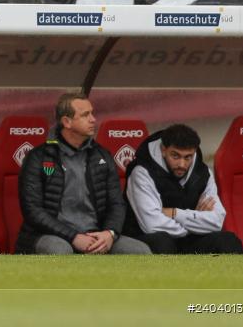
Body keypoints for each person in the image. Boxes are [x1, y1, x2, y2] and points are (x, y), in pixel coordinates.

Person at [16, 93, 151, 255]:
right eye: (85, 115)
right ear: (67, 122)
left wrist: (110, 233)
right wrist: (73, 236)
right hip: (50, 235)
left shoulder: (102, 156)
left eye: (92, 113)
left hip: (96, 234)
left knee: (139, 250)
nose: (93, 119)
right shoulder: (38, 157)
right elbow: (33, 210)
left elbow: (117, 204)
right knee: (59, 249)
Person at [124, 124, 243, 254]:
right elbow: (152, 225)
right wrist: (196, 223)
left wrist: (175, 213)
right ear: (163, 150)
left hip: (188, 239)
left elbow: (216, 221)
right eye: (175, 156)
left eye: (188, 157)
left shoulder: (203, 173)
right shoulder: (141, 172)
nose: (182, 164)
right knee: (163, 242)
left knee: (229, 241)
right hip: (147, 238)